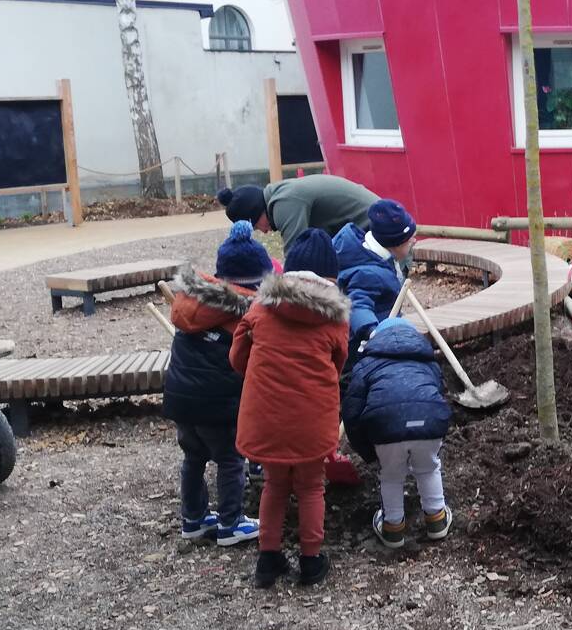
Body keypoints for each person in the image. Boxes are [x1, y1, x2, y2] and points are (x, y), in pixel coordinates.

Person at [230, 228, 350, 589]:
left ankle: (268, 559)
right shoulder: (334, 319)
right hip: (312, 418)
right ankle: (311, 561)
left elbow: (237, 359)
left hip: (266, 417)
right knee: (313, 487)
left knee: (274, 484)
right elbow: (339, 363)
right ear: (330, 278)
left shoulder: (260, 309)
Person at [161, 222, 271, 547]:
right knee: (229, 459)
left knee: (193, 458)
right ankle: (231, 522)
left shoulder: (191, 305)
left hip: (181, 399)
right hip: (219, 405)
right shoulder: (245, 315)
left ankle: (193, 519)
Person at [342, 317, 454, 550]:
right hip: (430, 421)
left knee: (391, 474)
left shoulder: (366, 365)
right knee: (429, 468)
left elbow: (351, 412)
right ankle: (437, 520)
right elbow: (438, 392)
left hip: (385, 426)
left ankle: (393, 528)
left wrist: (367, 451)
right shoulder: (428, 362)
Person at [333, 198, 416, 351]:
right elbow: (358, 304)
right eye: (409, 241)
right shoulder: (368, 273)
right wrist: (372, 332)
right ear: (396, 244)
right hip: (367, 348)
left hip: (385, 331)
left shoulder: (377, 259)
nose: (414, 241)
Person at [217, 173, 381, 248]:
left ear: (257, 212)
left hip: (373, 225)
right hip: (368, 222)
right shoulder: (281, 195)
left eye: (256, 226)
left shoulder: (284, 203)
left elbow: (297, 257)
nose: (263, 232)